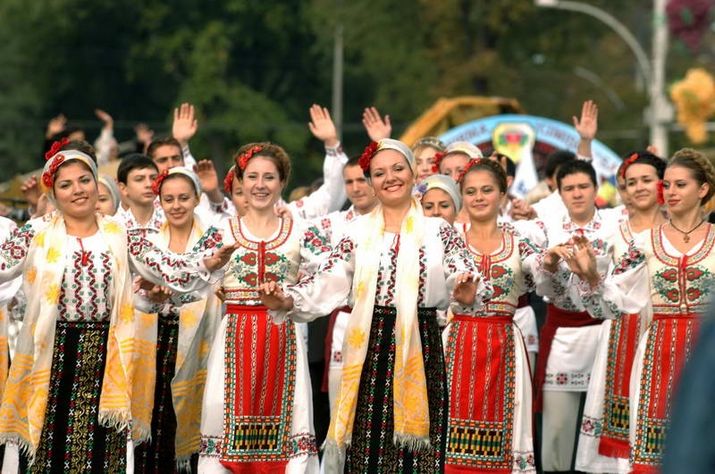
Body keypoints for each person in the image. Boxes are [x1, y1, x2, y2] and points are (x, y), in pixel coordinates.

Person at [0, 141, 235, 472]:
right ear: (53, 193)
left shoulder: (118, 231)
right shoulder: (37, 232)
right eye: (65, 185)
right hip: (50, 353)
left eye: (84, 180)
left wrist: (207, 262)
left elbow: (163, 263)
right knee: (46, 446)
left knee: (101, 447)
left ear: (97, 182)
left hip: (104, 354)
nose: (78, 190)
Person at [260, 138, 491, 473]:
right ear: (371, 182)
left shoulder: (438, 230)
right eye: (379, 173)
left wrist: (467, 293)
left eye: (398, 169)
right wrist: (286, 299)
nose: (390, 177)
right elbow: (328, 280)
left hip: (421, 342)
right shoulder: (356, 232)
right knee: (369, 446)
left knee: (420, 451)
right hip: (371, 342)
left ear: (414, 174)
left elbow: (462, 274)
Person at [570, 148, 715, 473]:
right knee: (652, 448)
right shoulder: (646, 242)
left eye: (681, 185)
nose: (670, 192)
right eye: (667, 185)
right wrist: (592, 275)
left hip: (708, 351)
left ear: (703, 189)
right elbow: (613, 300)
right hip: (657, 354)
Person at [198, 142, 328, 473]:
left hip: (282, 337)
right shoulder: (222, 231)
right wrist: (210, 267)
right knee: (224, 416)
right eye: (252, 176)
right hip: (235, 339)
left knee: (290, 424)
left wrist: (293, 295)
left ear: (282, 182)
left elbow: (334, 270)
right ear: (239, 181)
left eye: (269, 177)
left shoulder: (299, 230)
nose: (260, 185)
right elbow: (190, 268)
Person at [445, 158, 550, 472]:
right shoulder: (449, 241)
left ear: (502, 194)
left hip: (503, 342)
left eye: (487, 190)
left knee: (505, 427)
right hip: (457, 342)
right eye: (471, 191)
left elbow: (541, 271)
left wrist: (554, 261)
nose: (478, 197)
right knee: (451, 426)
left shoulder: (520, 240)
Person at [528, 159, 623, 472]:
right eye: (569, 188)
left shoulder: (616, 223)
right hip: (564, 332)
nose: (577, 193)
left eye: (584, 186)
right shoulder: (546, 228)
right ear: (559, 192)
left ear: (596, 188)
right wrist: (551, 260)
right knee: (557, 430)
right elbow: (539, 283)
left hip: (607, 331)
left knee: (607, 425)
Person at [575, 152, 666, 473]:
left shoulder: (677, 232)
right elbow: (592, 298)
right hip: (620, 334)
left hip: (666, 333)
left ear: (663, 185)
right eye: (631, 182)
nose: (639, 187)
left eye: (647, 180)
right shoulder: (611, 235)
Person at [133, 167, 224, 472]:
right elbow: (136, 291)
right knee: (155, 419)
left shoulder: (214, 241)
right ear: (159, 202)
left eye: (184, 198)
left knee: (191, 417)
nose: (177, 205)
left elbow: (213, 287)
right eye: (169, 199)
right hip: (155, 338)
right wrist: (150, 294)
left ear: (197, 198)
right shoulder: (149, 244)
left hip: (199, 340)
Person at [117, 153, 164, 232]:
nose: (149, 184)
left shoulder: (170, 221)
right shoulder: (114, 227)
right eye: (139, 179)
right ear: (123, 188)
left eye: (153, 178)